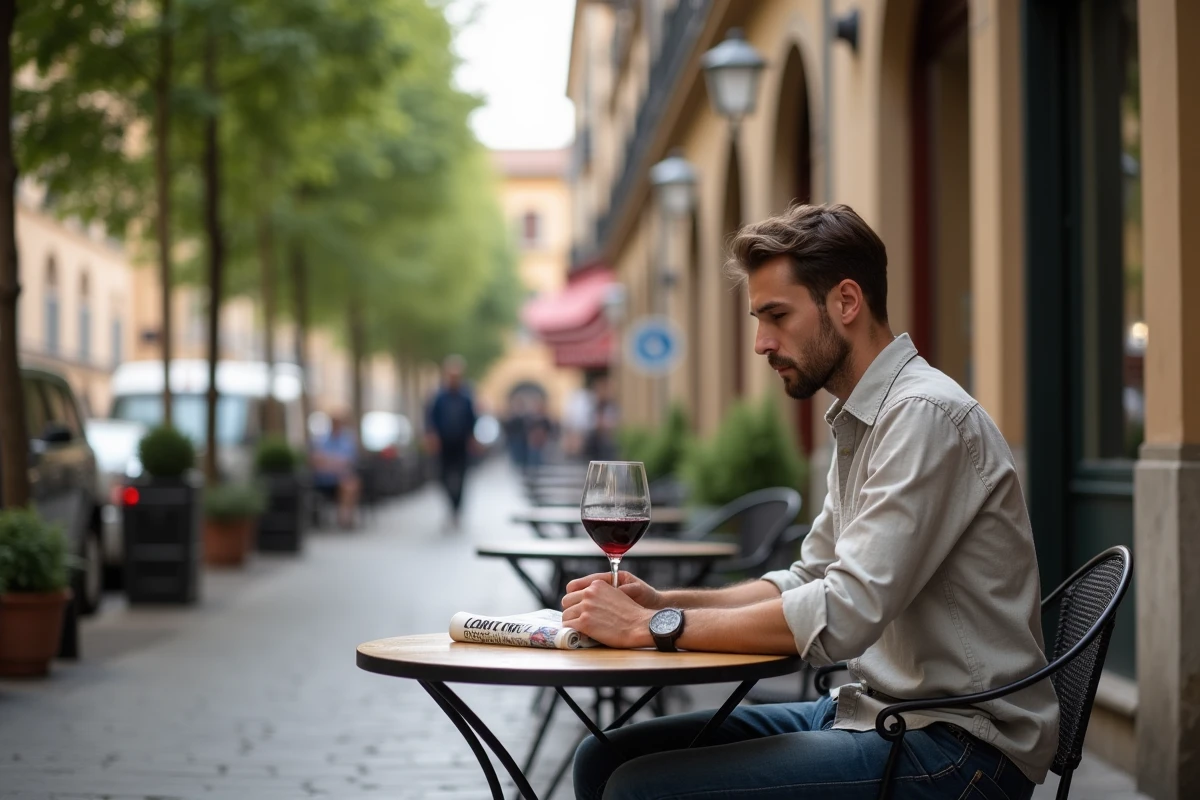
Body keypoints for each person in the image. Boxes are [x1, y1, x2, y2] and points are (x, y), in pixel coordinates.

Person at [563, 204, 1058, 799]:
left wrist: (655, 628)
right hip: (870, 714)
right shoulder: (865, 420)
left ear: (846, 302)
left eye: (776, 315)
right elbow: (809, 576)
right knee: (604, 757)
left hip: (961, 749)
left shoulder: (922, 416)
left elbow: (843, 613)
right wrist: (667, 601)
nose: (760, 343)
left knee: (640, 788)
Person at [424, 355, 478, 527]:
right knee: (442, 477)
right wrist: (432, 437)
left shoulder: (466, 396)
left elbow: (472, 419)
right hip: (444, 443)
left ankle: (457, 509)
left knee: (462, 477)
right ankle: (451, 507)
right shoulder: (439, 397)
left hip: (461, 443)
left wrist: (472, 438)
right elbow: (430, 419)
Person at [310, 413, 360, 529]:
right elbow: (316, 460)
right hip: (323, 480)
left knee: (349, 485)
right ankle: (344, 518)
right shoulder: (322, 440)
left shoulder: (346, 440)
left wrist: (329, 461)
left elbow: (347, 461)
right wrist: (334, 462)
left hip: (341, 478)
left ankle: (345, 518)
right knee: (349, 483)